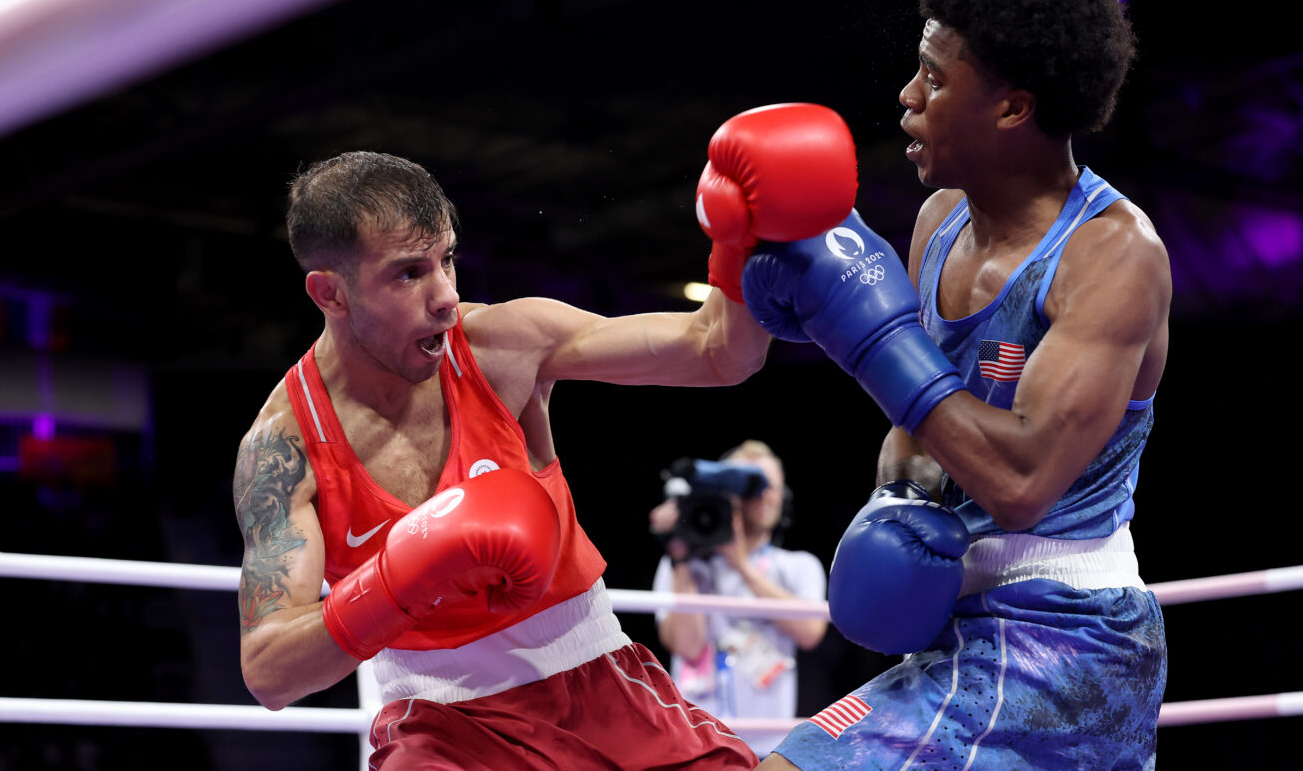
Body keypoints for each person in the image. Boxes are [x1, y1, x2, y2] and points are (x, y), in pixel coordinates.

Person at [230, 101, 860, 769]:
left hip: (603, 686)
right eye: (410, 273)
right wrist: (399, 579)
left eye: (447, 260)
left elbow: (718, 355)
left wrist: (741, 246)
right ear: (329, 294)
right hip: (440, 729)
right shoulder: (284, 448)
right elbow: (270, 672)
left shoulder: (501, 345)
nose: (444, 294)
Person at [740, 0, 1171, 768]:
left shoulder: (1112, 256)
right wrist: (889, 503)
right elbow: (919, 430)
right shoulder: (939, 221)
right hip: (962, 630)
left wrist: (862, 335)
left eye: (934, 80)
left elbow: (1020, 482)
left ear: (1013, 107)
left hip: (1065, 638)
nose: (907, 95)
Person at [648, 440, 828, 757]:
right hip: (693, 744)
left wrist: (741, 564)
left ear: (784, 496)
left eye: (772, 486)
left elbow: (810, 632)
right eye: (753, 484)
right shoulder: (682, 567)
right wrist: (681, 557)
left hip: (768, 749)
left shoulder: (799, 566)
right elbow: (687, 646)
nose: (764, 494)